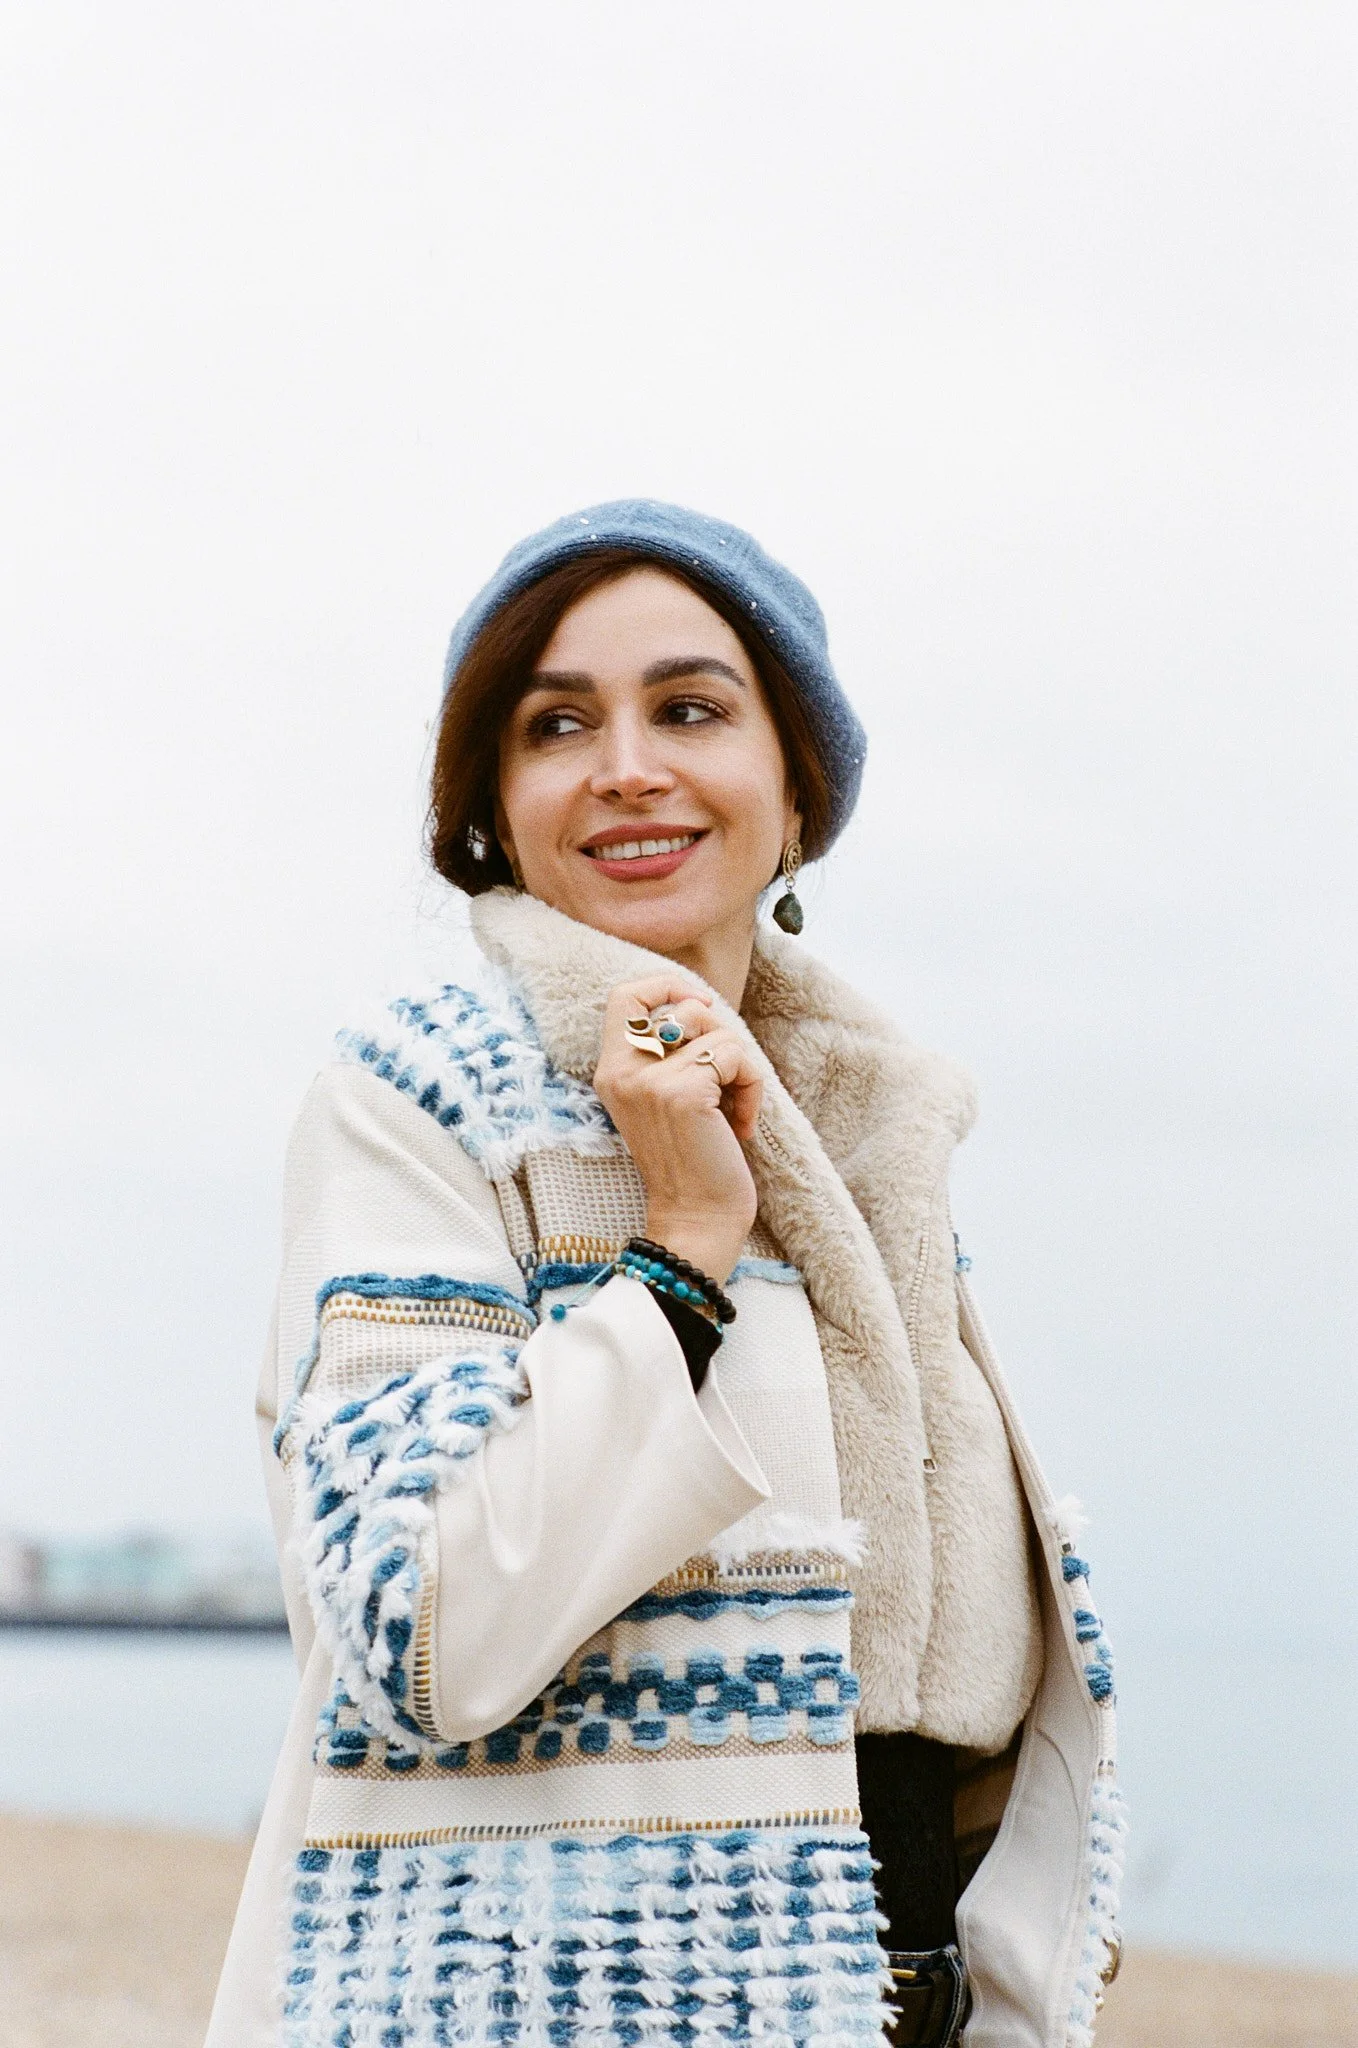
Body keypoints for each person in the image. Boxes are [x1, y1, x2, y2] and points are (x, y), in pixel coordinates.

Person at [207, 501, 1126, 2048]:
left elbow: (946, 1688)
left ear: (797, 784)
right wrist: (679, 1252)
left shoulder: (871, 1127)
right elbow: (414, 1624)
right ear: (491, 806)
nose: (627, 764)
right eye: (555, 723)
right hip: (559, 2003)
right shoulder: (427, 1095)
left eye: (690, 708)